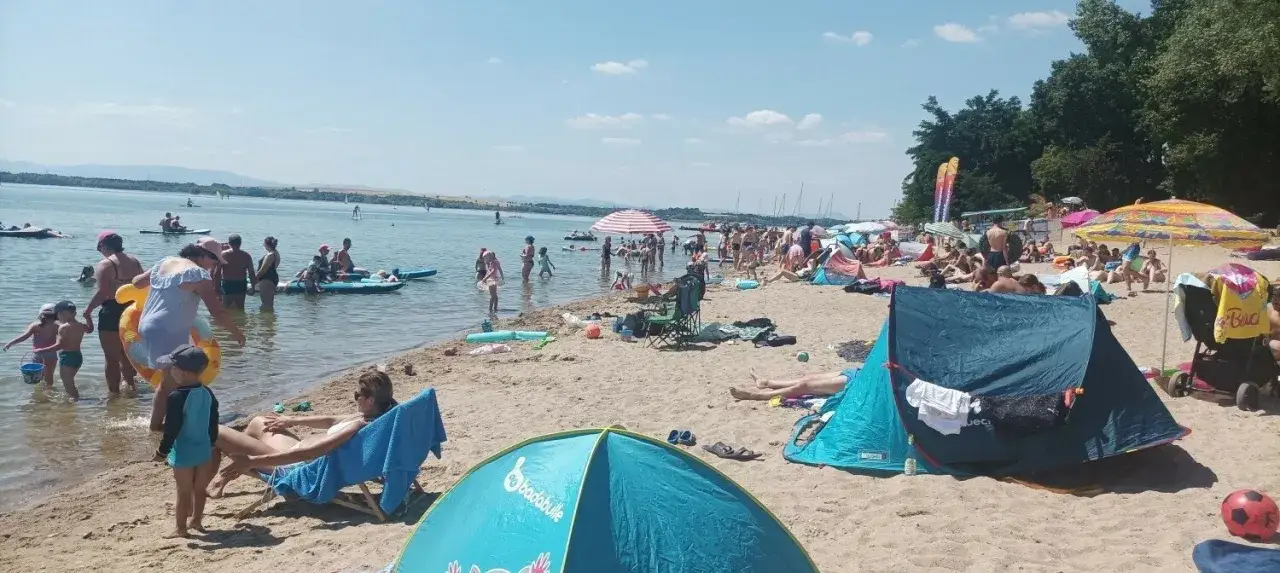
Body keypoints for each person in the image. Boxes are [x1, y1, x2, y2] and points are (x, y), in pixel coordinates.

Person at [207, 370, 398, 497]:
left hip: (297, 469)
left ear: (371, 400)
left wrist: (251, 461)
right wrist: (290, 420)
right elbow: (331, 421)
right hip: (302, 457)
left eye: (358, 396)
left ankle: (210, 483)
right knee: (260, 422)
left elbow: (307, 454)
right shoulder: (378, 417)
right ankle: (224, 478)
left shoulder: (356, 427)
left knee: (215, 432)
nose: (355, 398)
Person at [136, 238, 246, 430]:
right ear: (203, 256)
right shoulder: (198, 274)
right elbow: (217, 311)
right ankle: (156, 426)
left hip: (147, 324)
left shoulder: (165, 262)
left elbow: (137, 283)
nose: (215, 265)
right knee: (169, 382)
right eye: (215, 261)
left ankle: (176, 418)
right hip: (167, 329)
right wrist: (236, 332)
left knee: (176, 376)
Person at [153, 345, 218, 538]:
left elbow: (172, 428)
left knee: (183, 491)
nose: (171, 371)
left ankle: (181, 528)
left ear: (181, 372)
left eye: (173, 367)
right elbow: (213, 421)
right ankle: (196, 521)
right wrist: (212, 443)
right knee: (199, 488)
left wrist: (162, 452)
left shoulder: (176, 397)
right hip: (204, 448)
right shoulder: (208, 392)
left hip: (184, 451)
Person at [83, 231, 145, 393]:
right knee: (128, 354)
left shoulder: (106, 264)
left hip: (112, 310)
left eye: (99, 247)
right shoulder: (135, 261)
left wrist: (88, 310)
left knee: (111, 358)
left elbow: (103, 293)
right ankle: (131, 388)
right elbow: (143, 286)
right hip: (132, 310)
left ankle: (114, 395)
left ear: (102, 246)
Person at [30, 300, 92, 400]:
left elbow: (59, 345)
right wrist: (88, 317)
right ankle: (73, 399)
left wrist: (42, 350)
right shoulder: (81, 325)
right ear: (75, 313)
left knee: (68, 384)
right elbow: (90, 329)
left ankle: (74, 403)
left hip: (67, 357)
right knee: (70, 381)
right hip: (78, 357)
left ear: (60, 314)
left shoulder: (63, 328)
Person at [4, 303, 60, 385]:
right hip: (51, 354)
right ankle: (49, 392)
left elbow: (24, 337)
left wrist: (10, 343)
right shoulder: (57, 327)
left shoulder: (35, 326)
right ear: (56, 315)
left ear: (40, 314)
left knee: (37, 376)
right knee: (49, 376)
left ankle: (39, 394)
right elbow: (64, 339)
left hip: (37, 354)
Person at [728, 369, 854, 401]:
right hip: (859, 373)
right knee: (809, 378)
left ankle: (759, 395)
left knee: (805, 386)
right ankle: (767, 383)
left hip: (859, 383)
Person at [219, 234, 255, 310]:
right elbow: (251, 273)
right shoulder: (246, 256)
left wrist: (216, 287)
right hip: (241, 284)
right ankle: (241, 322)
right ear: (240, 243)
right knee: (240, 308)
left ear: (229, 243)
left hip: (227, 283)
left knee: (225, 309)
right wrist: (253, 287)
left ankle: (225, 322)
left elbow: (217, 272)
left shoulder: (223, 254)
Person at [254, 236, 280, 311]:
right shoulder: (276, 253)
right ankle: (269, 320)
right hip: (272, 278)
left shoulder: (270, 255)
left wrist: (255, 278)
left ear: (266, 244)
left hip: (266, 279)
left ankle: (266, 321)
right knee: (269, 303)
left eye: (264, 243)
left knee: (266, 304)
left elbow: (263, 270)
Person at [481, 250, 504, 314]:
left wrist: (485, 278)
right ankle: (495, 308)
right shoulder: (496, 262)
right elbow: (500, 270)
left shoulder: (492, 262)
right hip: (495, 279)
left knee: (492, 296)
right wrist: (502, 278)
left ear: (489, 257)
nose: (485, 259)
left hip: (491, 280)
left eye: (486, 257)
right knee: (495, 295)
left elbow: (492, 271)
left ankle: (490, 309)